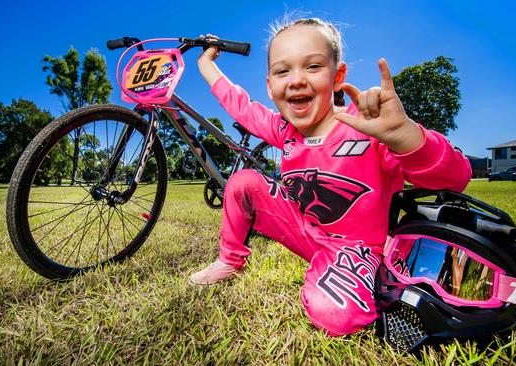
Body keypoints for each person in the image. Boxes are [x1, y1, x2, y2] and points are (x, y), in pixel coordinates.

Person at [188, 17, 472, 336]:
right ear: (270, 86)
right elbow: (238, 104)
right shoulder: (285, 130)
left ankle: (356, 278)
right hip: (306, 231)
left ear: (338, 77)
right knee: (242, 182)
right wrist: (205, 62)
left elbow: (455, 179)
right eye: (283, 71)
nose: (296, 80)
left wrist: (404, 136)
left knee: (332, 314)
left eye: (312, 66)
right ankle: (229, 261)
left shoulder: (368, 125)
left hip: (358, 249)